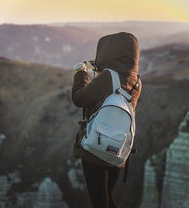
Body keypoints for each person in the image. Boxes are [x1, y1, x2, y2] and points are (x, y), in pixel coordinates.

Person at [71, 32, 142, 208]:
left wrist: (81, 73)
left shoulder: (109, 76)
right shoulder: (137, 81)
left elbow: (79, 99)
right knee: (107, 200)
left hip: (96, 146)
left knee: (99, 202)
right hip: (118, 147)